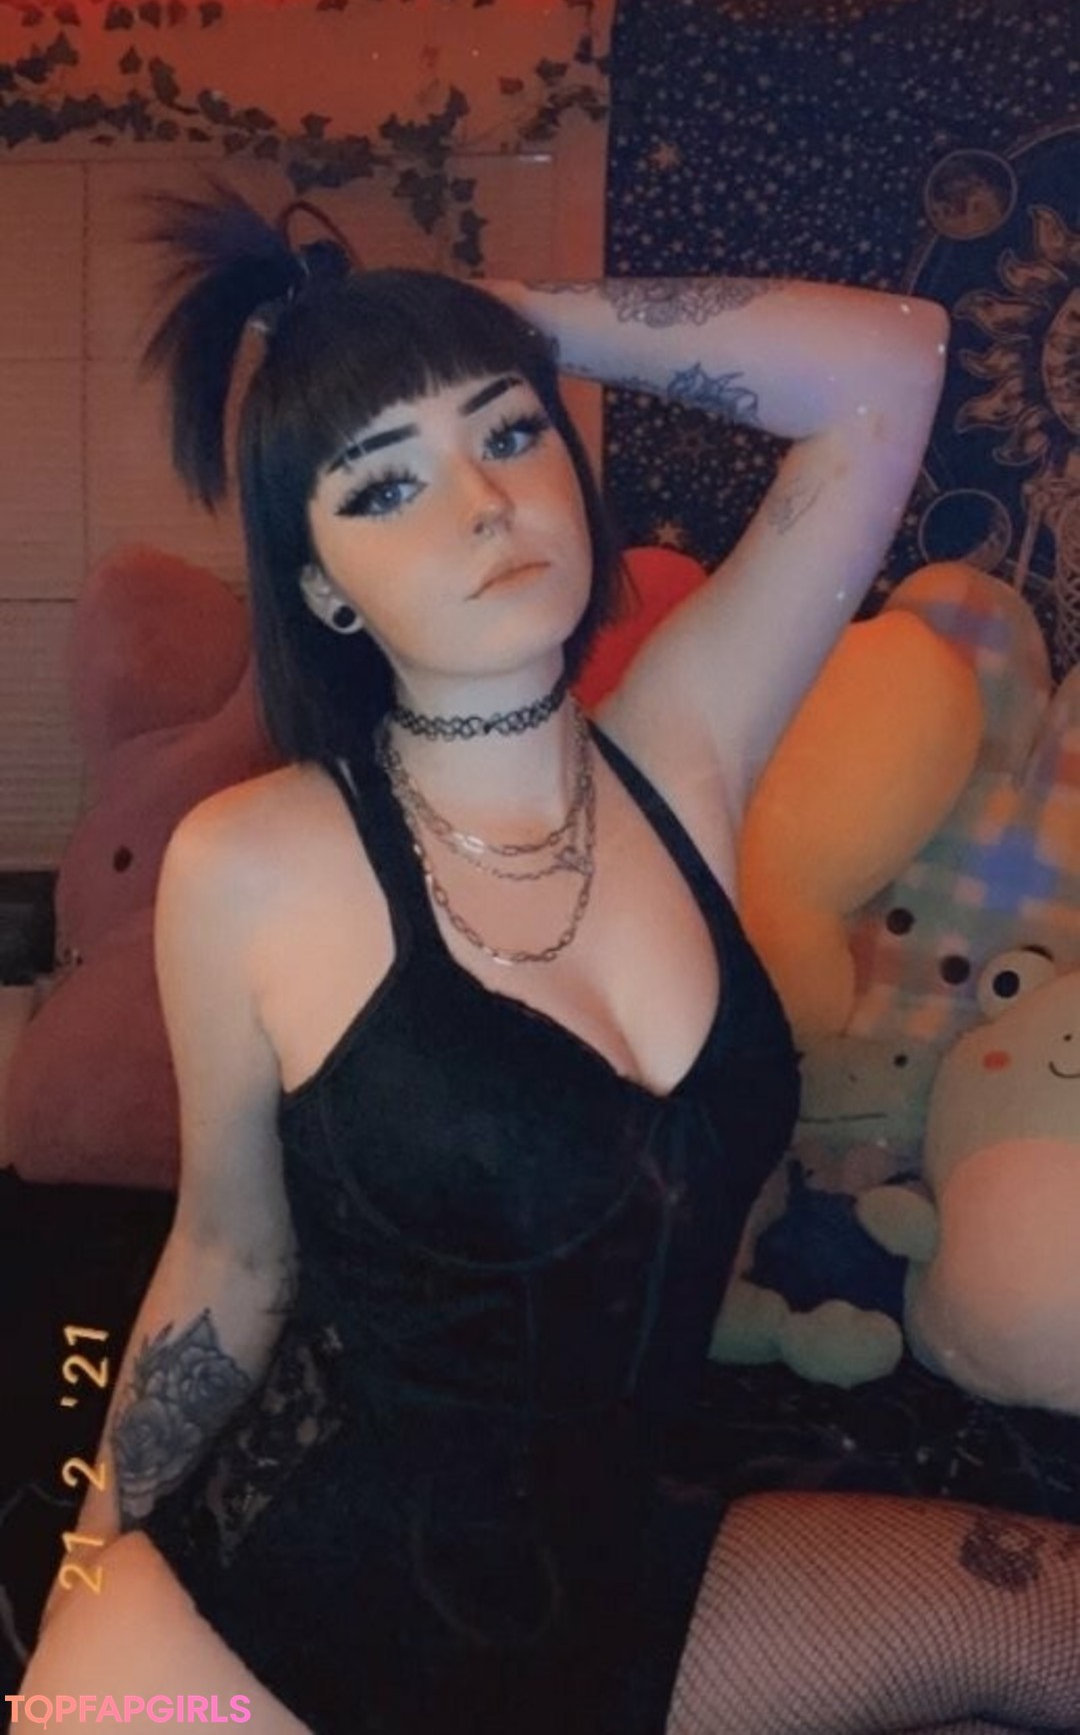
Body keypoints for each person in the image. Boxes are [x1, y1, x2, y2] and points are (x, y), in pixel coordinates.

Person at [22, 189, 1080, 1735]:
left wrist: (504, 316)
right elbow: (231, 1258)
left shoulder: (685, 759)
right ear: (320, 583)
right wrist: (89, 1550)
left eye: (509, 433)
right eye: (387, 484)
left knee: (1050, 1615)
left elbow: (893, 359)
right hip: (292, 1605)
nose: (481, 505)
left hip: (610, 1569)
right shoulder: (250, 861)